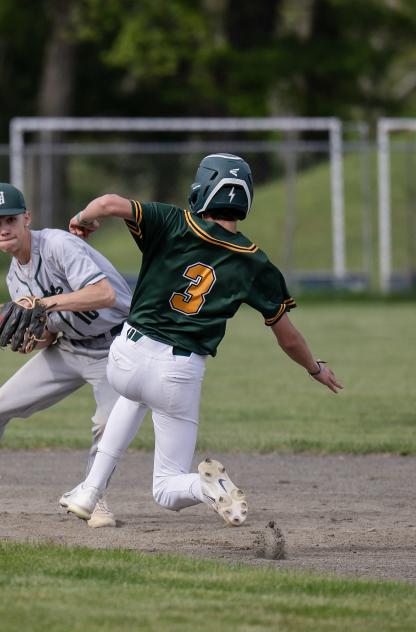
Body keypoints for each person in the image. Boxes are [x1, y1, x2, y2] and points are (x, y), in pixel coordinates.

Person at [64, 153, 343, 528]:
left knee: (131, 396)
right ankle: (207, 487)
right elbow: (288, 337)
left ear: (202, 189)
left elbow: (110, 203)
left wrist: (83, 219)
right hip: (178, 373)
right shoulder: (254, 261)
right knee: (166, 489)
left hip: (127, 355)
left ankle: (88, 492)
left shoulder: (173, 221)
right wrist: (315, 368)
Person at [0, 182, 132, 528]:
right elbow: (48, 333)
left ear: (26, 218)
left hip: (116, 348)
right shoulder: (15, 278)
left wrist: (43, 304)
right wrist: (32, 340)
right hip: (71, 348)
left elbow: (104, 294)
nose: (4, 228)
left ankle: (93, 495)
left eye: (10, 220)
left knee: (107, 425)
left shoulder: (60, 245)